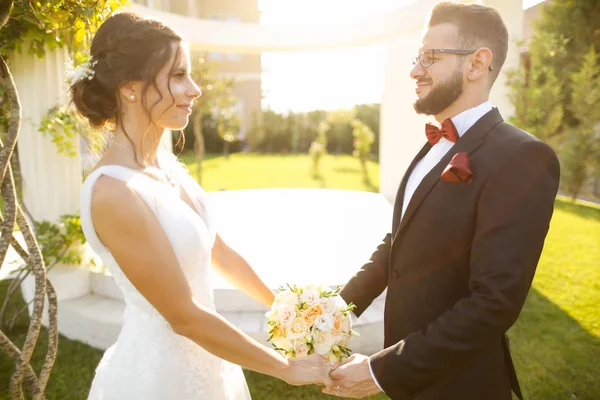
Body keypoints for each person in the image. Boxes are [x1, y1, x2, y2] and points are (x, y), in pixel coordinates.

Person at [73, 12, 331, 400]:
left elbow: (220, 253)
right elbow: (184, 315)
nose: (195, 89)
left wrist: (286, 308)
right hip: (159, 379)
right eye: (178, 76)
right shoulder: (114, 192)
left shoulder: (167, 166)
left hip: (210, 361)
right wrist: (286, 369)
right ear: (130, 88)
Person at [325, 3, 560, 399]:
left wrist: (381, 370)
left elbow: (493, 303)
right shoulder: (431, 148)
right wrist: (332, 316)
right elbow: (397, 244)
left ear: (477, 64)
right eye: (418, 58)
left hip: (464, 385)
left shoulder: (523, 156)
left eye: (430, 57)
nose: (415, 70)